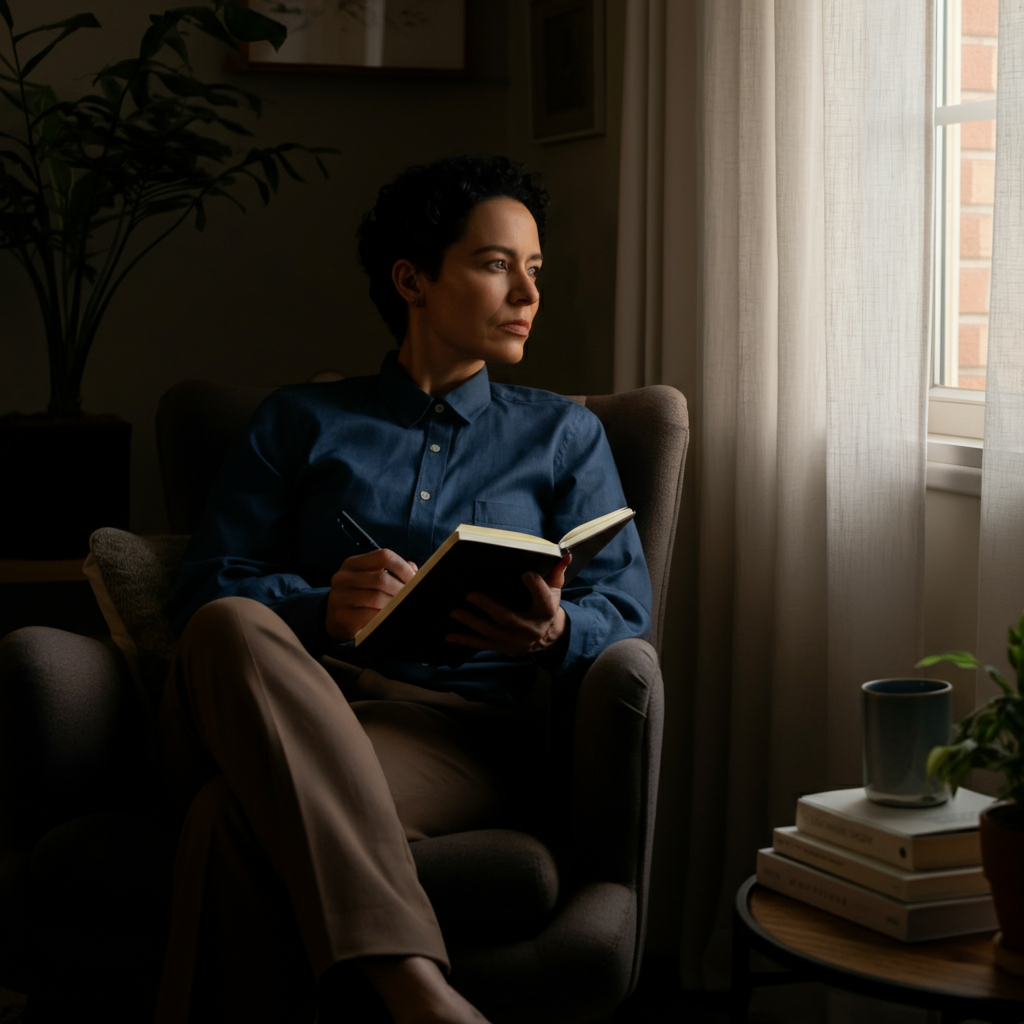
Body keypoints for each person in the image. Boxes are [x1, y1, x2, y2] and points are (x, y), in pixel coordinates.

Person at [155, 156, 652, 1024]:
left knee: (227, 818)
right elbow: (200, 594)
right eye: (496, 265)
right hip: (293, 696)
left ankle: (406, 990)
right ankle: (417, 989)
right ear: (412, 280)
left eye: (535, 270)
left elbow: (626, 610)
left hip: (450, 736)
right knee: (230, 621)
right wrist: (320, 607)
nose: (528, 294)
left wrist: (551, 630)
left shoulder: (564, 435)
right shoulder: (299, 421)